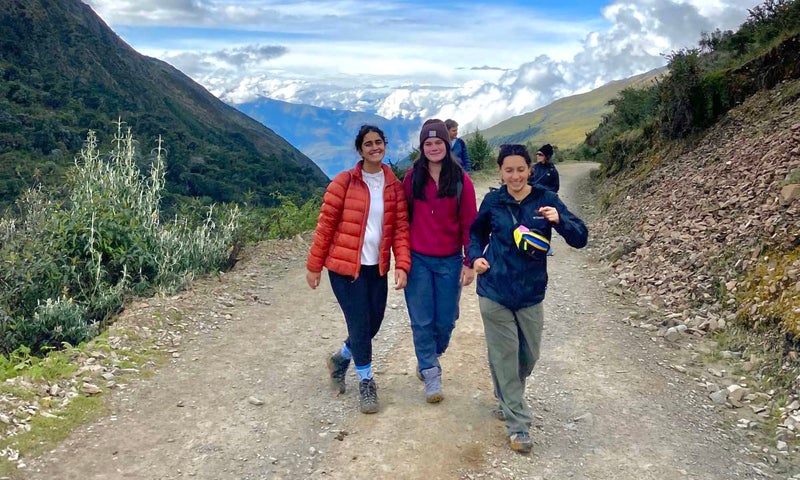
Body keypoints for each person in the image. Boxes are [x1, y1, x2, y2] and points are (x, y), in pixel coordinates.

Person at [468, 144, 587, 453]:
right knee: (506, 355)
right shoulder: (494, 200)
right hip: (494, 290)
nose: (515, 175)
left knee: (528, 356)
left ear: (529, 170)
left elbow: (580, 237)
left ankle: (506, 395)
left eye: (520, 169)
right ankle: (518, 425)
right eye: (509, 170)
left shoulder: (545, 199)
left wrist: (559, 220)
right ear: (500, 172)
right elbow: (476, 234)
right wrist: (474, 258)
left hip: (531, 292)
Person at [306, 124, 411, 414]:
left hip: (375, 269)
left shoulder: (394, 187)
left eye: (379, 142)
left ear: (385, 145)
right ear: (360, 149)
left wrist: (402, 264)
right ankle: (366, 382)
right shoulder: (343, 182)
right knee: (360, 324)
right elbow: (325, 226)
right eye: (368, 144)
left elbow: (401, 228)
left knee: (373, 323)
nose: (375, 147)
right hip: (344, 269)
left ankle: (340, 359)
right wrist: (314, 267)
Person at [403, 119, 478, 403]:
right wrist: (401, 259)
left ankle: (430, 356)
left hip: (449, 261)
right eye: (428, 143)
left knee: (446, 320)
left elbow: (470, 223)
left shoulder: (461, 181)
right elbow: (401, 218)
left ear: (447, 145)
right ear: (422, 147)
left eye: (438, 143)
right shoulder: (412, 179)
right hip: (418, 259)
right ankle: (431, 373)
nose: (434, 148)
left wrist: (469, 261)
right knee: (422, 320)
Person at [529, 144, 560, 255]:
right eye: (537, 154)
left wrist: (543, 189)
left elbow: (555, 188)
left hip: (545, 201)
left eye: (540, 154)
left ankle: (546, 246)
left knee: (545, 224)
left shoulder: (552, 171)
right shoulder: (534, 168)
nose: (538, 156)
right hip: (532, 199)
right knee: (531, 221)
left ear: (546, 156)